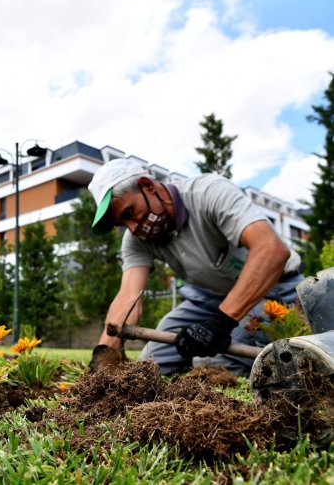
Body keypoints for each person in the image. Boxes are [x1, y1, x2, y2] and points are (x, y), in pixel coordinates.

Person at [86, 158, 303, 376]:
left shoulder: (208, 193)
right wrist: (105, 352)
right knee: (150, 363)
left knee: (208, 362)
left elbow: (272, 250)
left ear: (147, 186)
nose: (133, 228)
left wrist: (220, 323)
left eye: (129, 213)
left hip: (271, 293)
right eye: (122, 224)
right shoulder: (138, 240)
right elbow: (128, 296)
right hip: (207, 300)